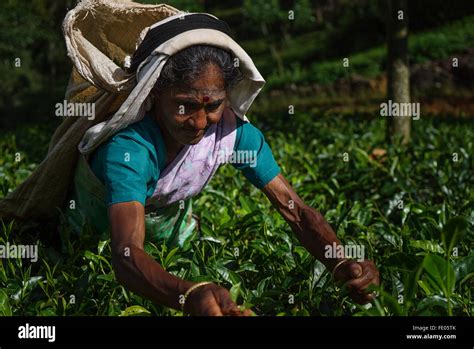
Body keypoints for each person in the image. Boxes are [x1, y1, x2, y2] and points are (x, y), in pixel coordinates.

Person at [66, 13, 380, 316]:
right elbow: (124, 255)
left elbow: (295, 211)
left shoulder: (233, 134)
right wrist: (189, 294)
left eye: (213, 105)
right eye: (184, 105)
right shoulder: (130, 150)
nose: (199, 122)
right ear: (155, 91)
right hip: (93, 240)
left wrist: (338, 260)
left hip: (169, 233)